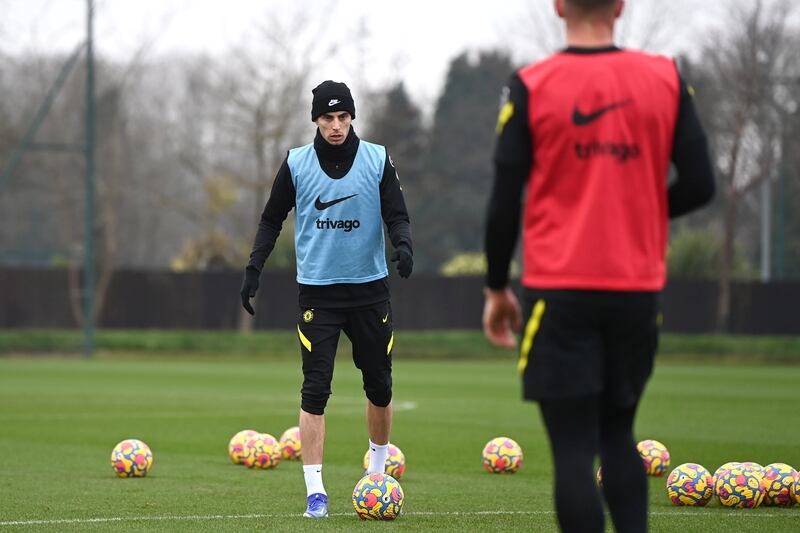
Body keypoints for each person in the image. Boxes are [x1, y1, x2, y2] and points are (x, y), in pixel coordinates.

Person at [482, 1, 714, 531]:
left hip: (558, 292)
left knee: (573, 449)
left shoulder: (531, 85)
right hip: (635, 291)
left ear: (559, 6)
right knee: (617, 435)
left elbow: (502, 203)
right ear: (621, 5)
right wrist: (643, 211)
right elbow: (701, 184)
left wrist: (497, 288)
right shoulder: (666, 78)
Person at [240, 80, 413, 519]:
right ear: (315, 119)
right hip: (318, 293)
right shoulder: (297, 163)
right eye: (327, 118)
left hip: (370, 290)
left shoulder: (377, 158)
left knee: (380, 384)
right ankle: (315, 493)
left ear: (352, 116)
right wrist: (254, 267)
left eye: (342, 117)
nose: (336, 125)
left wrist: (403, 245)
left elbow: (396, 211)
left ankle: (376, 472)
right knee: (315, 390)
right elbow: (270, 218)